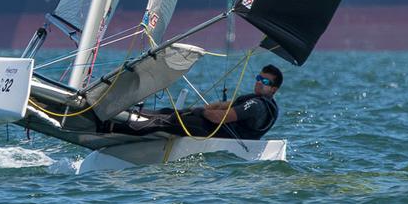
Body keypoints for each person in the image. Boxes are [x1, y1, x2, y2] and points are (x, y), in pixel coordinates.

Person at [106, 64, 282, 140]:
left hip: (217, 133)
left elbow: (218, 118)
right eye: (259, 78)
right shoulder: (255, 101)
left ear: (273, 89)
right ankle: (125, 115)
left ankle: (112, 128)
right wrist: (207, 108)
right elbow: (223, 106)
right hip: (217, 130)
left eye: (265, 81)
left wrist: (202, 112)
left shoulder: (257, 105)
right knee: (170, 112)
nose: (259, 82)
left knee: (167, 121)